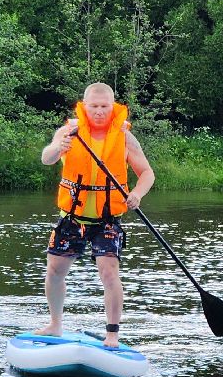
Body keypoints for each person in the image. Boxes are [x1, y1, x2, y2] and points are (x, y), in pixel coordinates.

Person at [35, 82, 154, 348]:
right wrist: (59, 147)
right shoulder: (69, 132)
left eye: (104, 107)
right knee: (54, 270)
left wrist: (137, 194)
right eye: (94, 106)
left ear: (112, 107)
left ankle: (112, 333)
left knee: (109, 272)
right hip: (72, 218)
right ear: (85, 106)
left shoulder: (124, 137)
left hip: (107, 220)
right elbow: (46, 158)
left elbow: (147, 174)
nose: (99, 112)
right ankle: (55, 325)